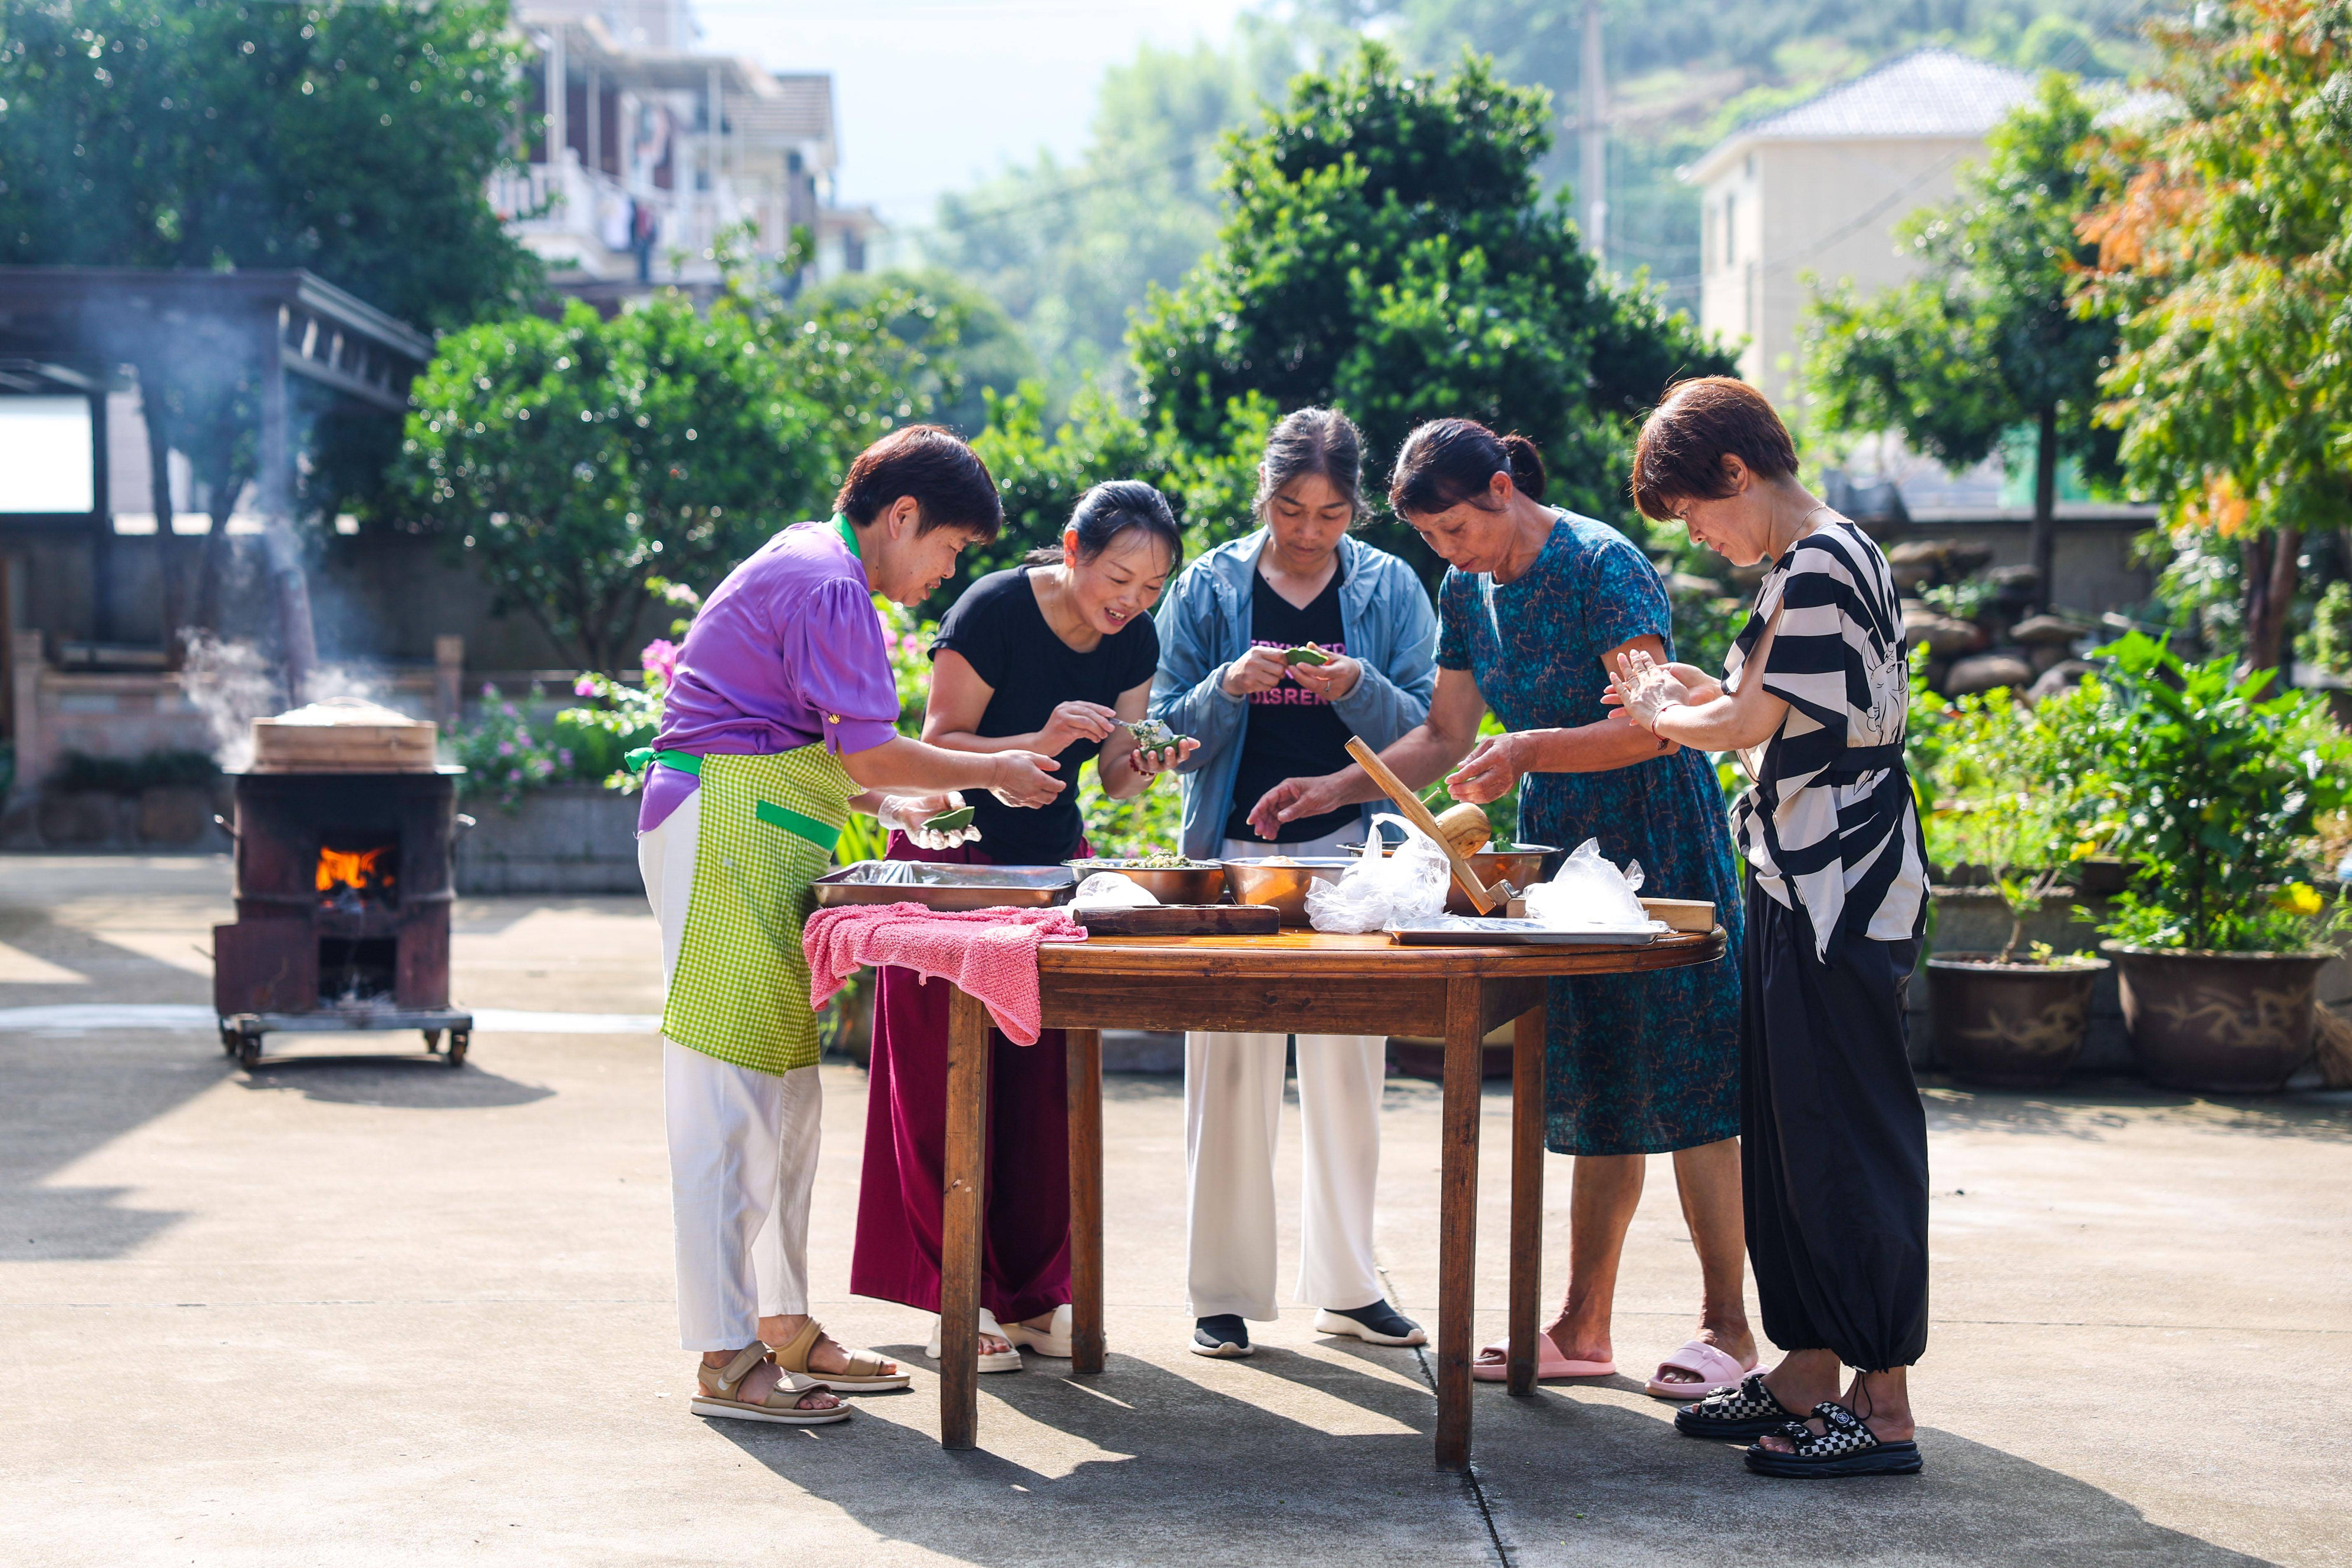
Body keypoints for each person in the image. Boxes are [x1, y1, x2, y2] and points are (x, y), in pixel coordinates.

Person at [1252, 418, 1757, 1400]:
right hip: (1564, 860)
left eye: (1454, 529)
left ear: (1500, 486)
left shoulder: (1603, 566)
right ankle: (1583, 1323)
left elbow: (1658, 732)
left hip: (1660, 842)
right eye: (1432, 538)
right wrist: (1330, 790)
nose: (1449, 551)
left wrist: (1525, 751)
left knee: (1694, 1081)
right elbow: (1447, 733)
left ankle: (1728, 1328)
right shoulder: (1463, 587)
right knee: (1595, 1076)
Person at [635, 425, 1064, 1426]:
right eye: (949, 549)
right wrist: (993, 769)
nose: (945, 571)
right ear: (903, 516)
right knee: (727, 1095)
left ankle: (781, 1322)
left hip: (758, 830)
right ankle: (724, 1351)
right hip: (721, 832)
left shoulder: (818, 566)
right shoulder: (830, 580)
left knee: (785, 1098)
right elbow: (867, 751)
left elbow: (820, 746)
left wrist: (889, 805)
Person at [1609, 377, 1930, 1479]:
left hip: (1841, 886)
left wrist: (1663, 710)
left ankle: (1880, 1401)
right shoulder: (1813, 563)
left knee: (1844, 1135)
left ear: (1737, 474)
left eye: (1698, 513)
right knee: (1797, 1130)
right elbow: (1766, 711)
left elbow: (1744, 722)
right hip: (1809, 879)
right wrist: (1689, 696)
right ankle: (1809, 1369)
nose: (1699, 534)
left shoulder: (1825, 561)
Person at [852, 481, 1195, 1371]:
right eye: (1120, 575)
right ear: (1075, 549)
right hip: (951, 861)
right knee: (942, 1081)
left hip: (1048, 873)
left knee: (1043, 1088)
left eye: (1152, 588)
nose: (1133, 601)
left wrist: (1145, 760)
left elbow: (1116, 774)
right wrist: (1041, 739)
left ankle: (1036, 1299)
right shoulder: (995, 607)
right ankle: (954, 1300)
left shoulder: (1137, 639)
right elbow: (937, 742)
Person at [1150, 407, 1438, 1358]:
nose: (1309, 533)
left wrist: (1354, 682)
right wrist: (1228, 686)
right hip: (1231, 853)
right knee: (1227, 1068)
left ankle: (1350, 1288)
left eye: (1331, 514)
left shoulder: (1392, 586)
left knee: (1349, 1071)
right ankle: (1222, 1293)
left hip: (1356, 853)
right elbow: (1159, 731)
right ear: (1262, 496)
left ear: (1358, 511)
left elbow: (1431, 732)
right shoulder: (1207, 586)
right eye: (1290, 509)